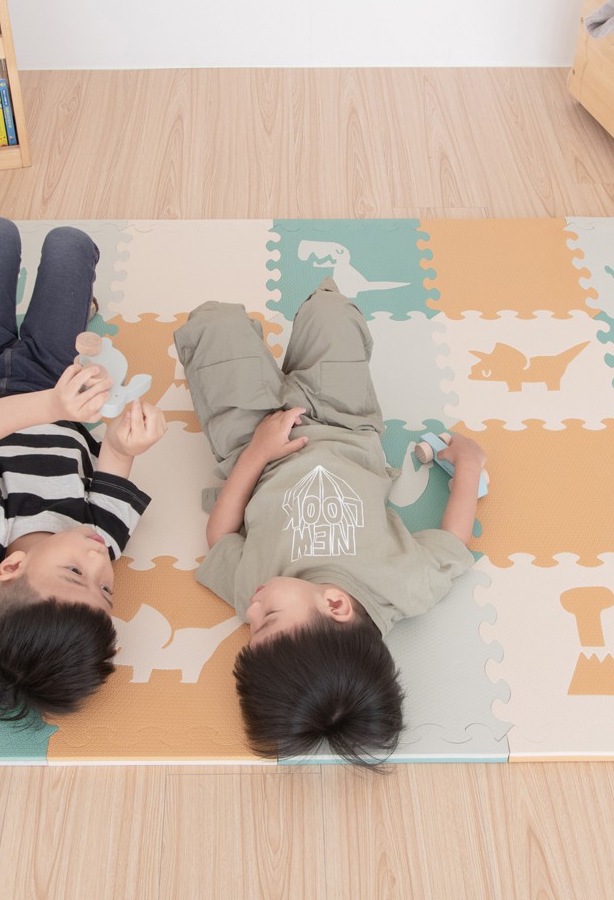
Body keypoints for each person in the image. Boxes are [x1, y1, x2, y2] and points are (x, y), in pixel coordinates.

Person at [174, 277, 485, 765]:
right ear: (335, 604)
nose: (251, 611)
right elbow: (453, 541)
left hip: (251, 440)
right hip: (346, 424)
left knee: (214, 323)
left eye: (251, 629)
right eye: (267, 620)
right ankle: (311, 324)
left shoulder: (255, 590)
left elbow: (220, 535)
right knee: (331, 313)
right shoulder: (406, 587)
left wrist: (256, 454)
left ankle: (237, 344)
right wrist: (470, 465)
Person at [0, 216, 166, 722]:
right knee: (70, 246)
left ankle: (33, 309)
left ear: (11, 569)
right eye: (106, 590)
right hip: (53, 380)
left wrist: (54, 403)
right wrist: (125, 442)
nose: (98, 563)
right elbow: (115, 466)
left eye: (76, 574)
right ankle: (73, 308)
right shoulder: (100, 542)